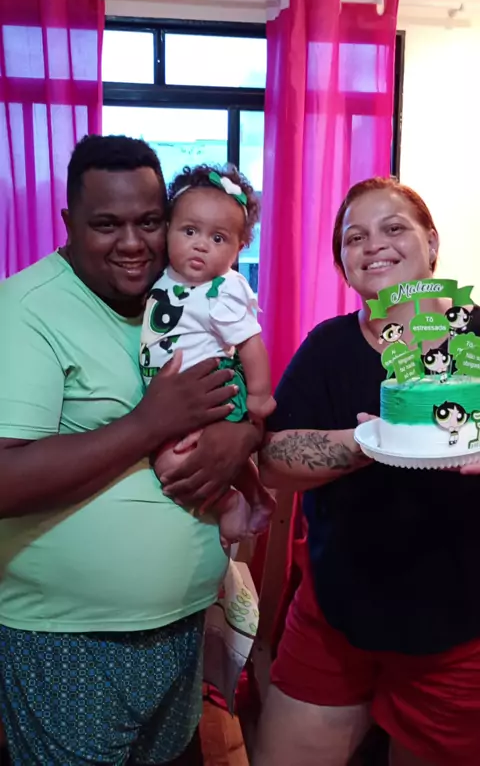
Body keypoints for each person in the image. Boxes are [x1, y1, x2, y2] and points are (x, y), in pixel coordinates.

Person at [0, 134, 263, 766]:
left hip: (179, 626)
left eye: (149, 222)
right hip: (70, 639)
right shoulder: (26, 309)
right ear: (68, 222)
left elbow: (239, 384)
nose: (132, 243)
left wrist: (244, 434)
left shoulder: (176, 293)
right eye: (106, 224)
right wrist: (149, 424)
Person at [253, 177, 480, 766]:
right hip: (335, 621)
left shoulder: (476, 338)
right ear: (344, 264)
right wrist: (368, 441)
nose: (373, 244)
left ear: (432, 243)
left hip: (459, 633)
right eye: (355, 237)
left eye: (394, 228)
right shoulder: (328, 347)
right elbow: (273, 460)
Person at [142, 164, 275, 544]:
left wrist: (260, 396)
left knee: (172, 466)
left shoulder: (223, 291)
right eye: (190, 231)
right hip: (176, 397)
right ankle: (256, 497)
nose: (201, 245)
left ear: (239, 248)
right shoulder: (161, 275)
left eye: (218, 238)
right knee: (211, 454)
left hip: (210, 393)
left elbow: (250, 343)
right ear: (168, 229)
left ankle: (229, 504)